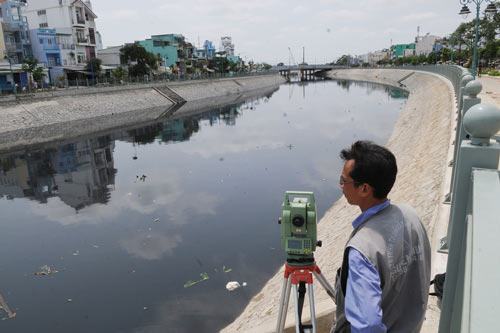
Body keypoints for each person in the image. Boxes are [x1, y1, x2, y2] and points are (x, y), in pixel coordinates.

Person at [332, 141, 431, 333]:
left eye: (344, 181)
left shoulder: (362, 250)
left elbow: (367, 326)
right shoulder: (410, 215)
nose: (341, 186)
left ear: (364, 189)